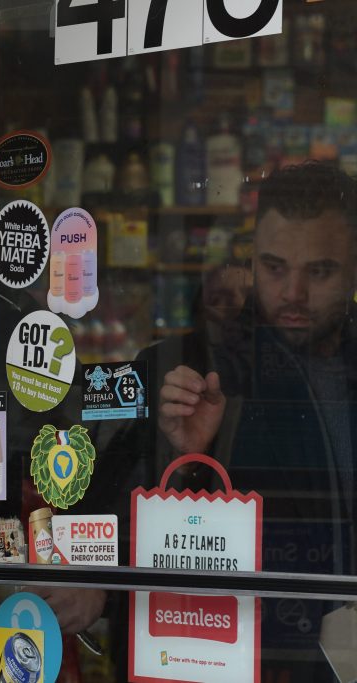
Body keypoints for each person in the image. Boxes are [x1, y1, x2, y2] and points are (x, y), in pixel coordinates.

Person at [144, 161, 357, 677]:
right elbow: (127, 535)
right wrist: (187, 456)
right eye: (275, 266)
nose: (293, 294)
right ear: (252, 259)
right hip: (244, 653)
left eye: (320, 271)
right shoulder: (198, 367)